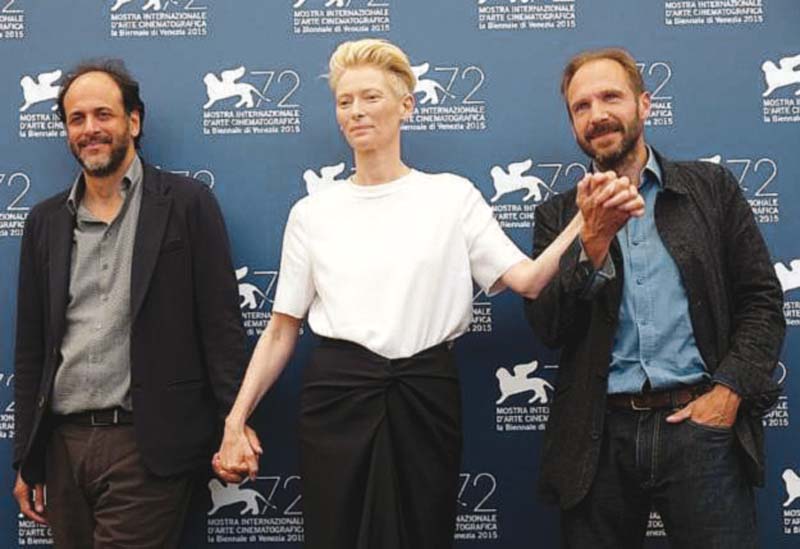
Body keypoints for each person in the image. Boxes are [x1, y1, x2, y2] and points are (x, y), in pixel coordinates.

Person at [213, 39, 644, 549]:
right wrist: (235, 421)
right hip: (337, 399)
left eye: (370, 97)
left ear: (405, 106)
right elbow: (282, 329)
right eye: (344, 101)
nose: (356, 111)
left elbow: (528, 280)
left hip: (426, 394)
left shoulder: (451, 196)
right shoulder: (312, 213)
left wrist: (584, 220)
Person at [524, 47, 786, 548]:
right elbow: (548, 327)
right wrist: (593, 242)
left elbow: (761, 302)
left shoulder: (711, 189)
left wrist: (727, 394)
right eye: (581, 107)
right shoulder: (559, 217)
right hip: (597, 443)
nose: (597, 114)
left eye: (610, 97)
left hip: (699, 429)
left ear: (644, 105)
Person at [12, 59, 249, 548]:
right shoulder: (44, 222)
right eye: (76, 119)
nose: (90, 129)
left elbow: (220, 327)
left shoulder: (187, 203)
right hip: (62, 447)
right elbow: (32, 349)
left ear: (133, 122)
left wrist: (236, 425)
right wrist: (27, 460)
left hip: (148, 445)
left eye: (103, 114)